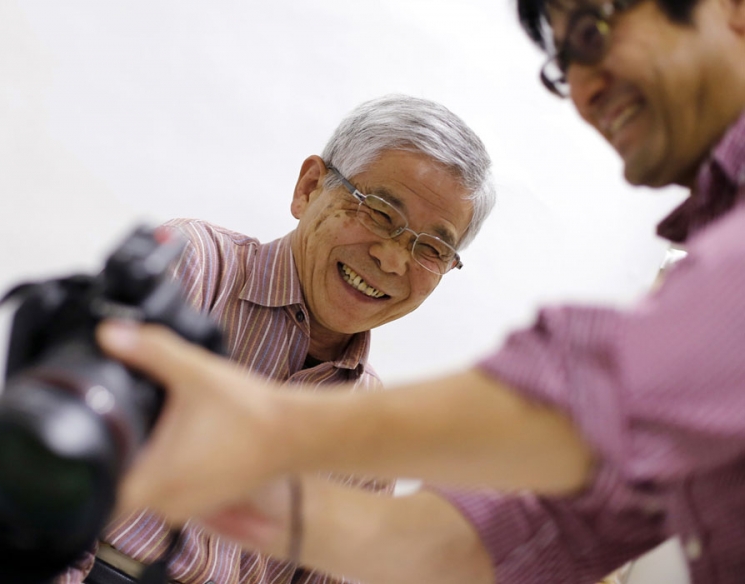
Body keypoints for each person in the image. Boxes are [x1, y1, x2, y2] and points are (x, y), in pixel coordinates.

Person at [88, 0, 745, 583]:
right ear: (310, 188)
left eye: (594, 28)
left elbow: (601, 389)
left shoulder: (719, 277)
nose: (580, 88)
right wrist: (240, 488)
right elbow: (470, 546)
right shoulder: (194, 264)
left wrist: (271, 429)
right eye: (560, 61)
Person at [55, 94, 496, 584]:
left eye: (431, 248)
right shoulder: (192, 270)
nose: (393, 261)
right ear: (310, 188)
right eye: (379, 213)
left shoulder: (368, 425)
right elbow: (54, 475)